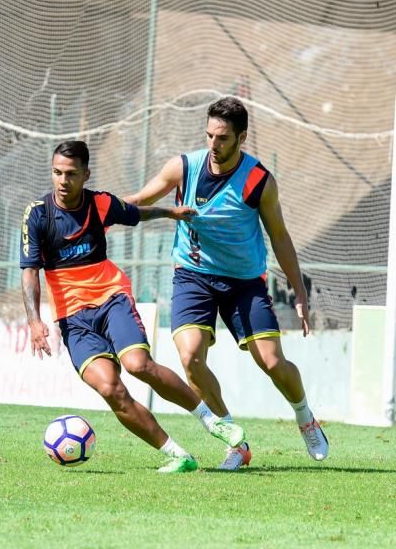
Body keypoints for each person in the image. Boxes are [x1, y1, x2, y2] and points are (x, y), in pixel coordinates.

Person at [126, 96, 329, 470]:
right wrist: (96, 213)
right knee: (190, 358)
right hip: (193, 275)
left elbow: (280, 236)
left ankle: (305, 416)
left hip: (244, 283)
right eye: (209, 135)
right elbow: (138, 200)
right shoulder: (185, 167)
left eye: (222, 138)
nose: (213, 145)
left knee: (271, 362)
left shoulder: (258, 180)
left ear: (242, 137)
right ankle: (235, 441)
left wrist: (300, 293)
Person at [20, 140, 246, 474]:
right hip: (73, 317)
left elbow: (136, 212)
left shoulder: (100, 203)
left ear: (85, 174)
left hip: (111, 298)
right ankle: (176, 454)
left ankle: (213, 421)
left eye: (70, 174)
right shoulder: (38, 215)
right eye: (57, 173)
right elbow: (29, 272)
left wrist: (170, 212)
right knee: (111, 388)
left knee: (138, 364)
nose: (63, 181)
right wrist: (34, 320)